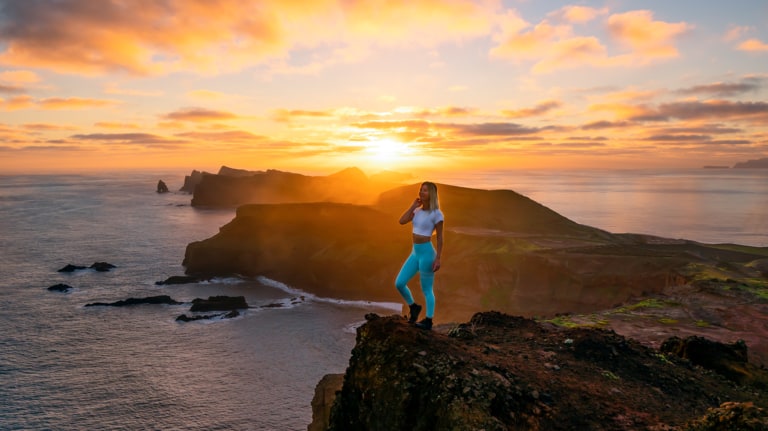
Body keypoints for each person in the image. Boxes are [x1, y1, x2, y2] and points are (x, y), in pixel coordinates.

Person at [395, 181, 444, 330]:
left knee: (427, 290)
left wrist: (438, 258)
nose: (421, 192)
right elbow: (401, 221)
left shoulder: (437, 214)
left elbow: (440, 238)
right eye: (421, 190)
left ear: (432, 194)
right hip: (415, 253)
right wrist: (413, 206)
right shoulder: (417, 211)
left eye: (425, 190)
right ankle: (414, 307)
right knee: (399, 283)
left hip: (427, 254)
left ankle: (428, 321)